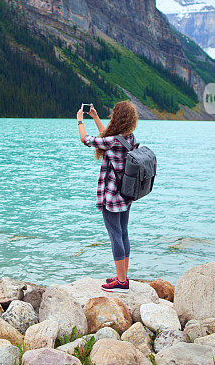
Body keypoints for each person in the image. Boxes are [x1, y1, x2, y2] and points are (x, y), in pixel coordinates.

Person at [77, 100, 139, 293]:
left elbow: (86, 140)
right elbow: (109, 138)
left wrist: (80, 121)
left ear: (117, 117)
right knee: (123, 233)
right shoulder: (128, 138)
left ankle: (121, 282)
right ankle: (123, 276)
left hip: (112, 197)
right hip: (126, 195)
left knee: (115, 236)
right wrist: (95, 118)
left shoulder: (113, 141)